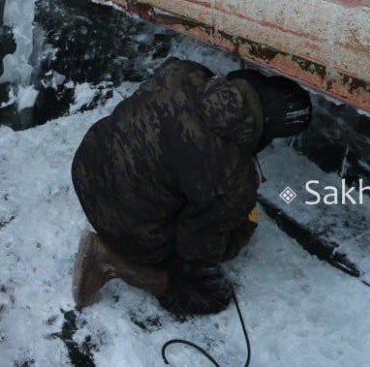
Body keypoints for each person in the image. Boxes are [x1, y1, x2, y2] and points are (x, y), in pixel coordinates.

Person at [70, 58, 312, 315]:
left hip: (88, 168)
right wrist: (241, 228)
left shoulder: (183, 72)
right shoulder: (234, 176)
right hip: (122, 221)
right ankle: (111, 261)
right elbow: (197, 249)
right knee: (211, 294)